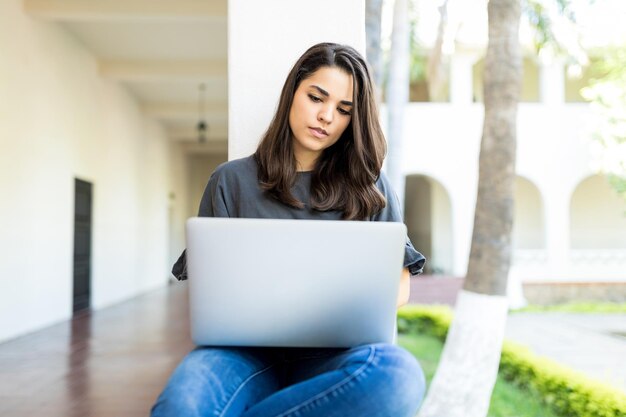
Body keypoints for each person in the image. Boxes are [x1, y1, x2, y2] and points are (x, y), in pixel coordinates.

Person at [151, 42, 426, 417]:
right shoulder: (230, 181)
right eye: (317, 97)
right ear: (293, 92)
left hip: (336, 354)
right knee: (181, 405)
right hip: (242, 353)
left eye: (343, 110)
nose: (327, 116)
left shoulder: (369, 185)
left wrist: (326, 313)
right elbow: (207, 285)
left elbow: (400, 284)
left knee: (400, 376)